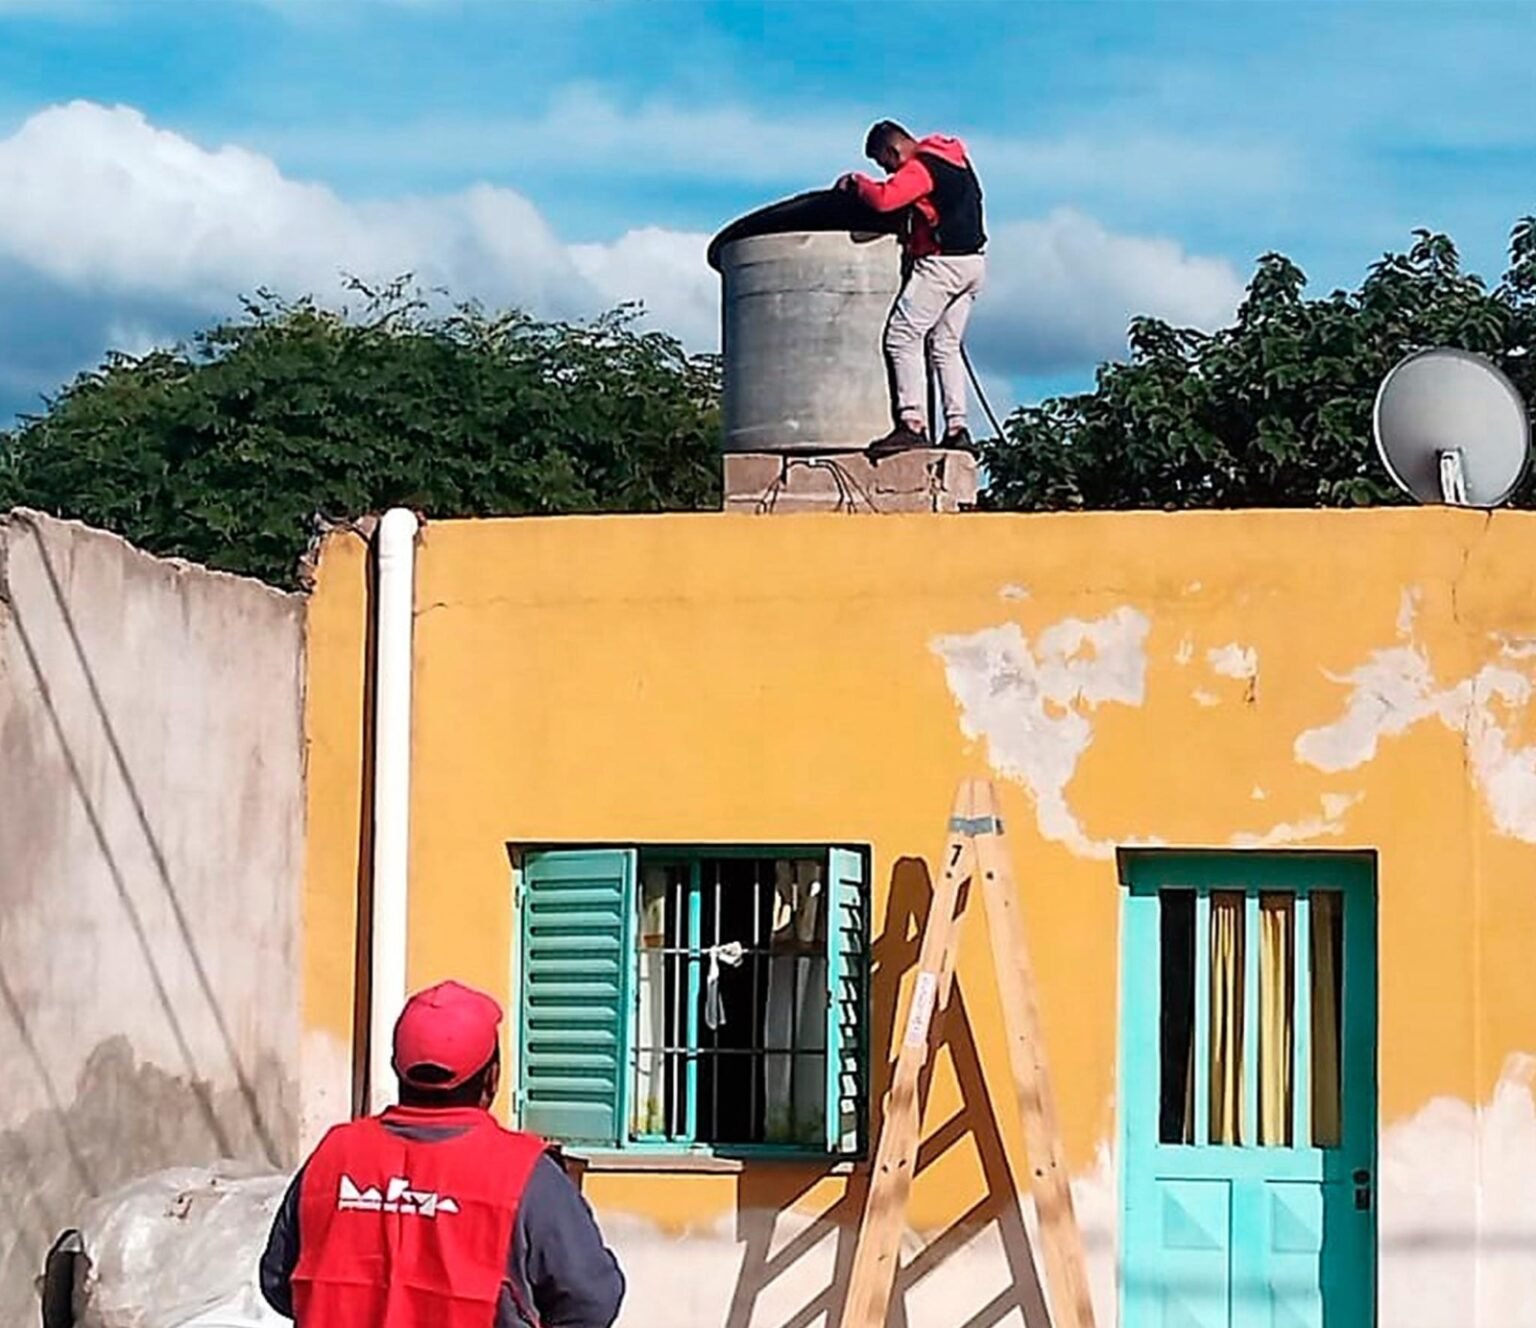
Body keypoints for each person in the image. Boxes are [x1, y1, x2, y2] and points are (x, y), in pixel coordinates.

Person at [259, 979, 625, 1328]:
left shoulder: (332, 1156)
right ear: (492, 1078)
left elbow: (278, 1281)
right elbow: (590, 1300)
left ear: (396, 1069)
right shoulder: (527, 1174)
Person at [837, 120, 987, 459]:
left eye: (882, 162)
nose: (885, 170)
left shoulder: (921, 168)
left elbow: (885, 200)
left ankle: (912, 424)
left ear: (893, 150)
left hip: (942, 265)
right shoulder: (954, 158)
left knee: (902, 337)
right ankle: (957, 428)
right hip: (973, 263)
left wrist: (857, 182)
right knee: (945, 345)